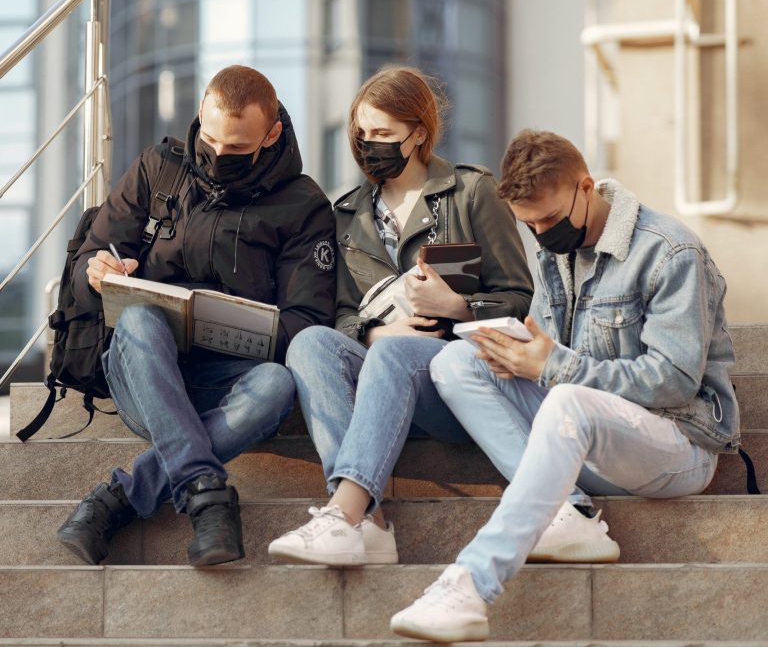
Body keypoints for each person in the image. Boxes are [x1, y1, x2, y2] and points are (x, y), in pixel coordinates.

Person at [390, 128, 740, 642]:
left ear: (586, 187)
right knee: (456, 362)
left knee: (570, 398)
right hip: (584, 440)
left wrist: (553, 366)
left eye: (549, 220)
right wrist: (516, 357)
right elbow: (550, 358)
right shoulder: (556, 254)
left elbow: (674, 382)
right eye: (529, 225)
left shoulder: (670, 252)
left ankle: (469, 585)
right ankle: (567, 511)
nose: (541, 235)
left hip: (677, 446)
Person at [56, 65, 336, 567]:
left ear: (271, 134)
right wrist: (96, 273)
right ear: (200, 114)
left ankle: (122, 496)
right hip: (141, 370)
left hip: (226, 378)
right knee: (140, 319)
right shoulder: (156, 168)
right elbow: (85, 267)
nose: (218, 154)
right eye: (209, 139)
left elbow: (306, 323)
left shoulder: (304, 205)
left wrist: (221, 322)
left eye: (237, 147)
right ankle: (206, 496)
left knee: (276, 384)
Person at [267, 66, 533, 566]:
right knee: (309, 342)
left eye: (384, 134)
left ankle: (345, 515)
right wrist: (373, 333)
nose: (369, 144)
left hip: (451, 385)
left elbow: (518, 296)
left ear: (419, 134)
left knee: (396, 354)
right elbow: (340, 313)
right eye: (362, 133)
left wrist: (457, 308)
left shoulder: (472, 192)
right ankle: (365, 521)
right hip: (377, 376)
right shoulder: (345, 215)